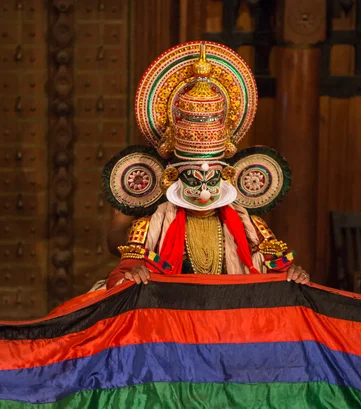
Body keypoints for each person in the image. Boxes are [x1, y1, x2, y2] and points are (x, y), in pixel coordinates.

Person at [103, 42, 310, 288]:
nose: (203, 192)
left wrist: (291, 274)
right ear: (172, 175)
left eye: (211, 179)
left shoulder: (248, 224)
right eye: (192, 178)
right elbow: (121, 254)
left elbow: (274, 265)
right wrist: (135, 269)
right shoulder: (150, 219)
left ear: (226, 174)